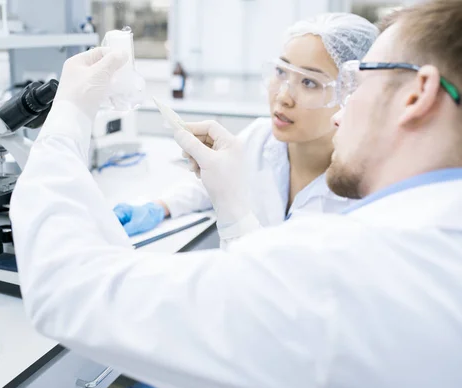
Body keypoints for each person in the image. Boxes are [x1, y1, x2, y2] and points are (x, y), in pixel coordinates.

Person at [10, 1, 462, 388]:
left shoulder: (351, 270)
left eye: (354, 83)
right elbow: (275, 302)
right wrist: (226, 207)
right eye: (282, 71)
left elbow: (71, 293)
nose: (342, 110)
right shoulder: (434, 243)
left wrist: (67, 116)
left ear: (418, 94)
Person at [112, 13, 378, 242]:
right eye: (281, 72)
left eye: (309, 82)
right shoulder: (261, 137)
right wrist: (159, 207)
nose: (283, 96)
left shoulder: (361, 188)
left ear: (349, 92)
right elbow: (213, 187)